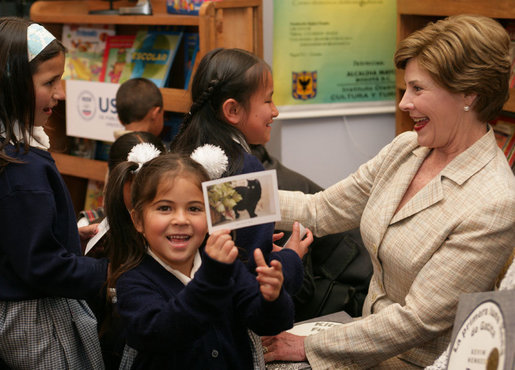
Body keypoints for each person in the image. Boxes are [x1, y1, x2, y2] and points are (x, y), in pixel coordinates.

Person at [262, 14, 515, 368]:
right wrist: (222, 199)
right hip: (362, 342)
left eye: (418, 89)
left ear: (468, 94)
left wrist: (310, 347)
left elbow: (418, 319)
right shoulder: (407, 149)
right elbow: (320, 210)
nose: (403, 103)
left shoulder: (494, 201)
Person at [103, 151, 295, 368]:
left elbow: (266, 323)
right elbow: (159, 332)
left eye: (194, 209)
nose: (181, 220)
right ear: (138, 220)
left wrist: (273, 299)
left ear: (212, 215)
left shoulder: (227, 267)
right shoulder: (133, 280)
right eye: (165, 208)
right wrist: (212, 277)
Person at [0, 17, 108, 368]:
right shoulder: (23, 169)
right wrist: (109, 272)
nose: (60, 94)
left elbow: (16, 235)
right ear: (12, 84)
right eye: (50, 82)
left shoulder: (13, 153)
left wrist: (69, 235)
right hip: (36, 320)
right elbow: (41, 265)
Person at [170, 47, 313, 295]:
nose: (275, 111)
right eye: (268, 100)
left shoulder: (182, 154)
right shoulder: (245, 171)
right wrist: (291, 258)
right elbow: (252, 279)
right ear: (232, 110)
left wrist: (260, 239)